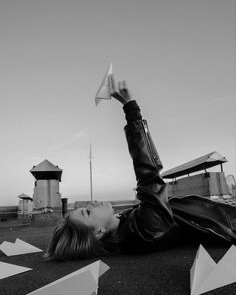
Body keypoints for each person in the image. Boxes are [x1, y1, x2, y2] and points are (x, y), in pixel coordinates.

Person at [45, 76, 236, 260]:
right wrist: (130, 108)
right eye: (87, 212)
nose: (92, 203)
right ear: (98, 233)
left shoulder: (127, 225)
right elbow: (149, 175)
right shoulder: (144, 229)